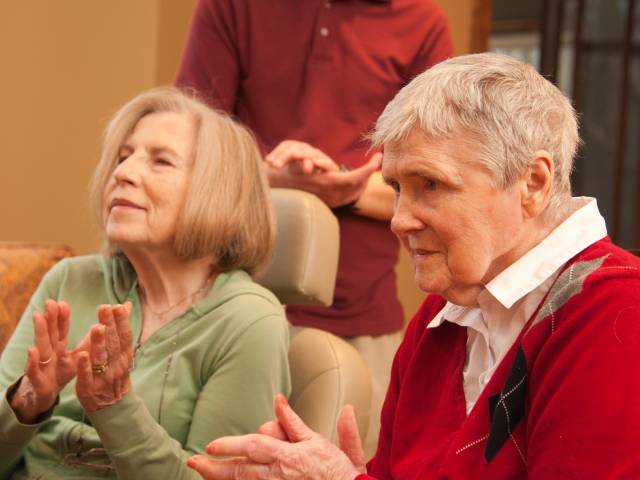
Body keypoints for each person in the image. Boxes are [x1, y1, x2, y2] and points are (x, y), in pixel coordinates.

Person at [184, 53, 640, 479]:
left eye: (430, 184)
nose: (400, 220)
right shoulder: (440, 319)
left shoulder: (617, 317)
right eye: (397, 187)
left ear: (533, 184)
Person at [175, 0, 453, 456]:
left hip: (364, 315)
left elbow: (438, 182)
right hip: (223, 301)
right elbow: (189, 150)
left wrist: (344, 191)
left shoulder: (421, 20)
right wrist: (271, 179)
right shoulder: (230, 7)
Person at [0, 87, 291, 479]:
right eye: (123, 157)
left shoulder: (249, 322)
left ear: (218, 192)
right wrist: (28, 403)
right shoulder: (70, 280)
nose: (122, 172)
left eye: (160, 162)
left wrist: (114, 407)